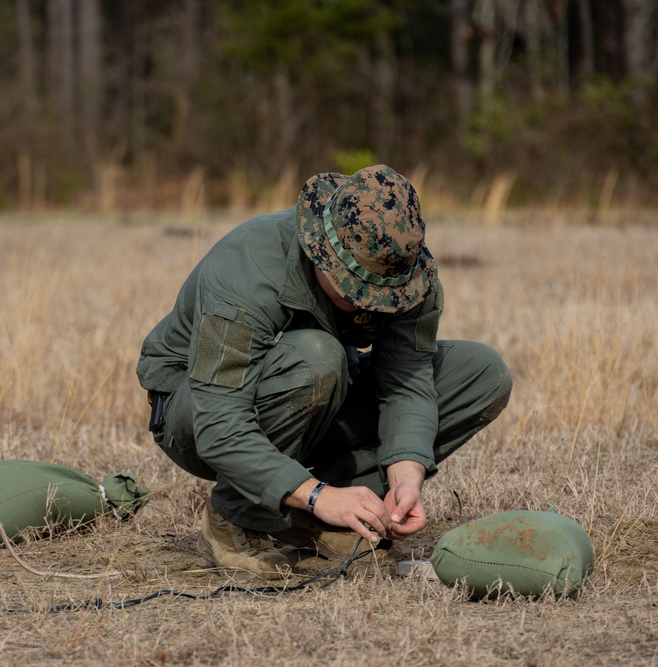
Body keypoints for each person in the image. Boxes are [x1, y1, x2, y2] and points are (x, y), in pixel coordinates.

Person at [136, 164, 512, 579]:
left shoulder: (405, 271)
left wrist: (407, 475)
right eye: (358, 291)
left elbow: (407, 381)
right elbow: (219, 422)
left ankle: (318, 515)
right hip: (198, 412)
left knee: (481, 372)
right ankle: (238, 514)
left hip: (318, 396)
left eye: (386, 295)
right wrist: (317, 495)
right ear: (322, 253)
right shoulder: (248, 266)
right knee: (318, 356)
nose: (374, 304)